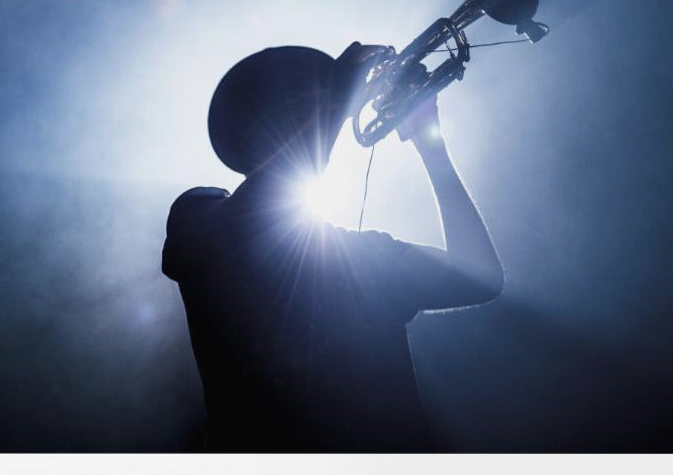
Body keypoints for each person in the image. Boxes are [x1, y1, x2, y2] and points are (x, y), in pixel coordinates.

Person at [161, 42, 504, 452]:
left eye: (314, 101)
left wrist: (431, 146)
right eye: (298, 102)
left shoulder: (365, 258)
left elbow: (480, 276)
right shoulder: (200, 213)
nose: (319, 115)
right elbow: (257, 207)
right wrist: (337, 101)